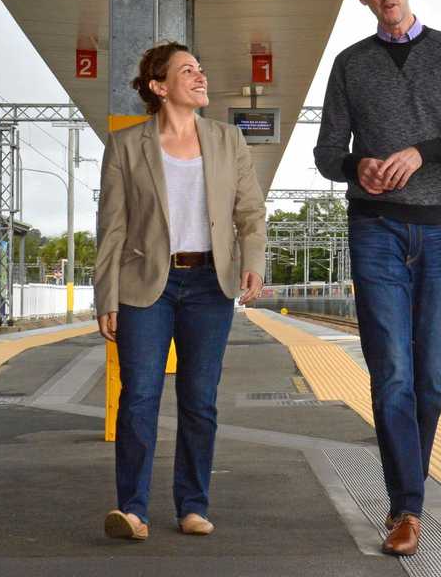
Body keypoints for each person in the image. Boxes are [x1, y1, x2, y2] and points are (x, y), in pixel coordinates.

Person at [314, 0, 441, 556]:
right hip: (375, 229)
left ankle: (408, 496)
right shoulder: (349, 64)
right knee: (391, 370)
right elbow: (324, 154)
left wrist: (425, 151)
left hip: (440, 231)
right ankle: (407, 509)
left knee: (431, 377)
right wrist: (355, 166)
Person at [94, 42, 267, 540]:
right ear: (159, 86)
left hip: (210, 285)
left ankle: (192, 505)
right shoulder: (126, 145)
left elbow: (249, 213)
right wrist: (105, 295)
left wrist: (252, 262)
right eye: (187, 70)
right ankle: (133, 511)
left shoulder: (228, 140)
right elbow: (112, 228)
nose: (200, 76)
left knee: (199, 399)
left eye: (200, 68)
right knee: (140, 396)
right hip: (146, 284)